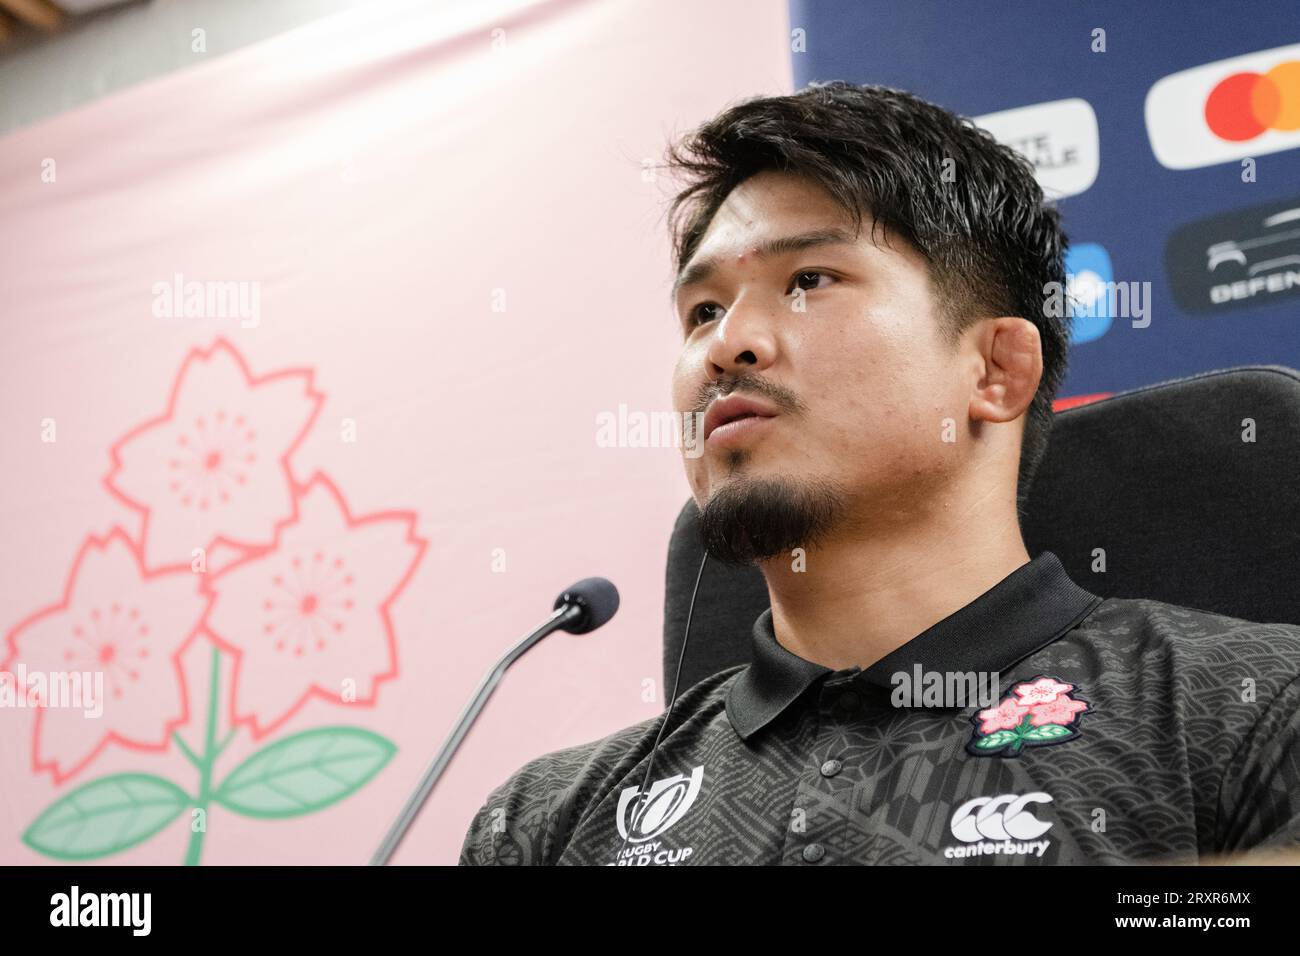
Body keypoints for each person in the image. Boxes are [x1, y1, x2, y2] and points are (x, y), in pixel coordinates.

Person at [459, 82, 1300, 866]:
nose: (727, 345)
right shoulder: (545, 823)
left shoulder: (1252, 714)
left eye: (808, 280)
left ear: (995, 371)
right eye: (703, 310)